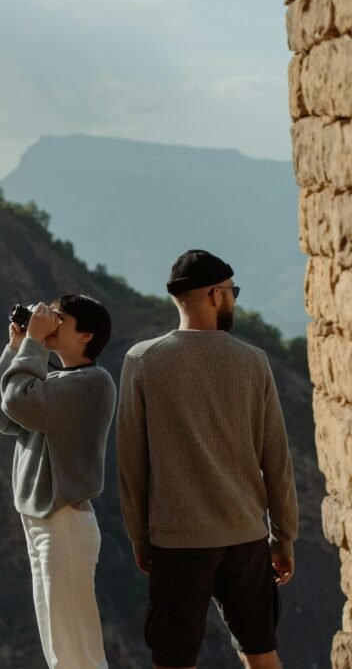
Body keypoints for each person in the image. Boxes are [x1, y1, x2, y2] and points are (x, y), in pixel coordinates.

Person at [117, 249, 299, 669]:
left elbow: (131, 462)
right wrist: (283, 537)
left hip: (177, 541)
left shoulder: (142, 361)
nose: (234, 299)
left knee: (174, 659)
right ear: (215, 295)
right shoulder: (254, 362)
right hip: (245, 536)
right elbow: (276, 458)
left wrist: (140, 536)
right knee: (261, 652)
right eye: (232, 291)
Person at [0, 295, 116, 668]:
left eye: (61, 318)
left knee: (77, 647)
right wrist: (16, 348)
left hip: (65, 522)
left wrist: (33, 346)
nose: (50, 322)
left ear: (86, 335)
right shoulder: (52, 378)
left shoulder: (93, 383)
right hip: (41, 521)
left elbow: (21, 403)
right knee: (57, 645)